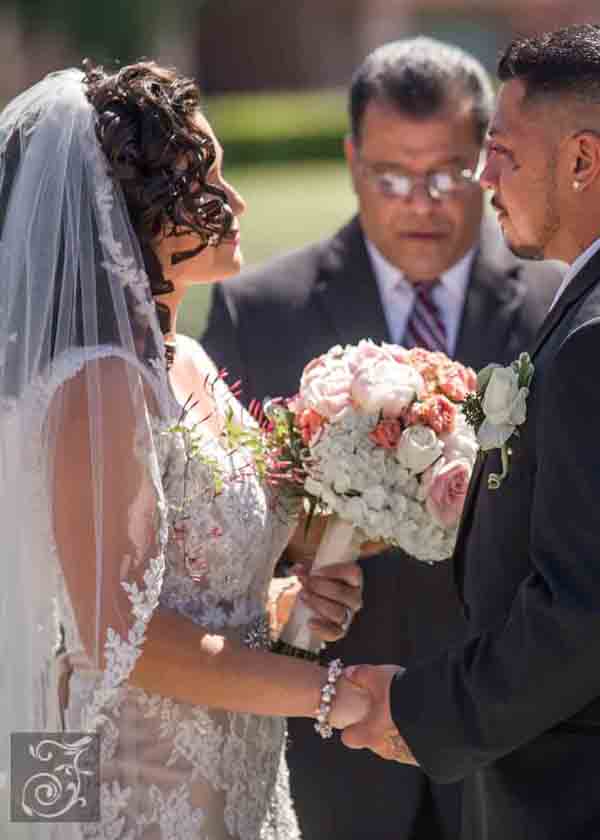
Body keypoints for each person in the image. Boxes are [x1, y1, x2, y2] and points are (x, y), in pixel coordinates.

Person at [201, 37, 563, 838]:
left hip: (513, 734)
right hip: (335, 734)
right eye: (391, 177)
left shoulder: (559, 306)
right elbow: (222, 513)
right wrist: (302, 560)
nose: (420, 203)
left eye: (447, 174)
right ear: (352, 158)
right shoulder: (260, 309)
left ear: (487, 159)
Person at [0, 62, 371, 840]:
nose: (235, 204)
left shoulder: (191, 361)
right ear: (124, 213)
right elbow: (122, 641)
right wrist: (339, 692)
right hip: (133, 799)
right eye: (204, 182)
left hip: (237, 787)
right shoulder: (98, 387)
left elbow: (191, 588)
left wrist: (283, 608)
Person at [342, 23, 600, 840]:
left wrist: (419, 712)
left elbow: (582, 610)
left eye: (504, 153)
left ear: (584, 161)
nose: (480, 178)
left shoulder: (594, 338)